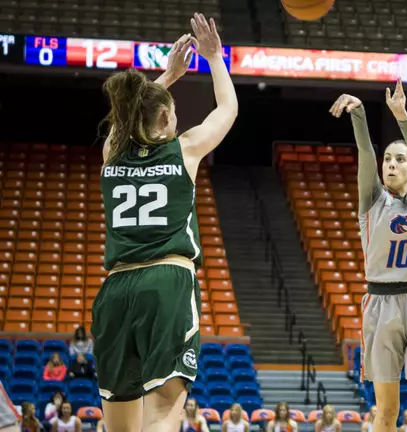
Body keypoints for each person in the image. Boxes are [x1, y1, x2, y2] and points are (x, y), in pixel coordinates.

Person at [91, 12, 237, 432]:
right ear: (163, 119)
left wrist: (167, 78)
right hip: (166, 283)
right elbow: (227, 107)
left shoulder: (111, 156)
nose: (177, 119)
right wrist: (213, 57)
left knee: (119, 424)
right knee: (162, 414)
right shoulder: (185, 150)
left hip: (115, 290)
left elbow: (124, 125)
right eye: (172, 112)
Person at [330, 80, 407, 432]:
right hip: (382, 303)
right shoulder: (371, 201)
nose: (391, 164)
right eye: (389, 158)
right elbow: (365, 154)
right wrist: (360, 114)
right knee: (385, 410)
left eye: (400, 159)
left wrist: (403, 119)